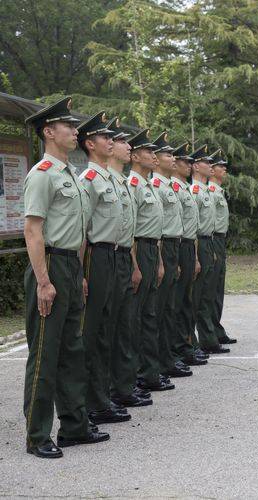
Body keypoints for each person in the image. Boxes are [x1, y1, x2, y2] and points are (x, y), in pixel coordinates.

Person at [22, 96, 109, 458]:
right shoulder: (41, 174)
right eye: (68, 126)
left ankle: (75, 426)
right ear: (48, 131)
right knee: (45, 353)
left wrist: (78, 273)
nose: (75, 131)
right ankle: (37, 434)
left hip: (70, 267)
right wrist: (44, 281)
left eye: (75, 126)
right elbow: (32, 230)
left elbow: (75, 228)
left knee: (73, 351)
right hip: (51, 266)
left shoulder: (69, 173)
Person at [76, 112, 131, 425]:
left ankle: (102, 397)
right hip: (95, 257)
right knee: (92, 332)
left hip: (111, 256)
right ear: (90, 144)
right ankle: (87, 403)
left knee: (107, 330)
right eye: (105, 137)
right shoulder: (89, 181)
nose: (111, 141)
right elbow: (83, 229)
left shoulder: (110, 179)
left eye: (112, 137)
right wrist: (82, 273)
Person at [106, 118, 153, 408]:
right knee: (111, 328)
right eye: (121, 141)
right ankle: (113, 389)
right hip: (106, 256)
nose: (124, 146)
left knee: (128, 323)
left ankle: (123, 384)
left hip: (127, 254)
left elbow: (129, 228)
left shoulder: (124, 182)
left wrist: (133, 263)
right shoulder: (108, 181)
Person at [128, 129, 172, 392]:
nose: (154, 157)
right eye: (149, 152)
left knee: (149, 315)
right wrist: (135, 265)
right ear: (135, 156)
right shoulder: (132, 185)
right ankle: (134, 375)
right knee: (134, 318)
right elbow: (129, 229)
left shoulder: (148, 186)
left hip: (151, 251)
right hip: (137, 249)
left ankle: (149, 372)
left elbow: (155, 227)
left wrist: (158, 261)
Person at [150, 132, 193, 380]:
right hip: (161, 246)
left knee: (169, 308)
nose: (174, 159)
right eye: (168, 154)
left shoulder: (169, 186)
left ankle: (167, 358)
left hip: (173, 245)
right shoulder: (155, 185)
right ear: (156, 159)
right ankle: (157, 362)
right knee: (157, 310)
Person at [170, 142, 208, 366]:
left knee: (185, 301)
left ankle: (185, 346)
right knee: (175, 303)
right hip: (174, 245)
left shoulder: (183, 188)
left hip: (186, 245)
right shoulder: (173, 188)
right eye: (184, 161)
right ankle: (179, 349)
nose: (189, 165)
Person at [190, 145, 230, 354]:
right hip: (204, 241)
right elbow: (194, 224)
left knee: (213, 291)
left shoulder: (209, 191)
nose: (218, 168)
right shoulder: (197, 191)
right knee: (202, 293)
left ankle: (213, 331)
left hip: (214, 241)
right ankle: (206, 337)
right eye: (210, 163)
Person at [208, 150, 236, 344]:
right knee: (209, 291)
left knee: (218, 289)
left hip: (219, 240)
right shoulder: (208, 190)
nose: (224, 169)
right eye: (220, 166)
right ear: (211, 170)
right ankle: (209, 334)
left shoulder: (218, 190)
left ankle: (216, 329)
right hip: (211, 239)